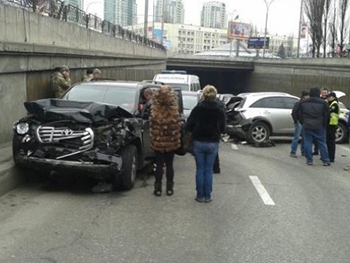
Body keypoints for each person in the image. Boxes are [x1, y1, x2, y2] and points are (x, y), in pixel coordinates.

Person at [185, 85, 226, 203]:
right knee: (208, 170)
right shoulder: (219, 110)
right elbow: (223, 128)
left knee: (200, 169)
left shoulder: (198, 109)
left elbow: (189, 125)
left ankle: (199, 195)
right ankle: (207, 196)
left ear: (203, 95)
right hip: (213, 142)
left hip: (198, 141)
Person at [149, 86, 181, 196]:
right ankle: (169, 188)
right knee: (169, 165)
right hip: (171, 142)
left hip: (158, 142)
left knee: (159, 165)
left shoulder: (155, 110)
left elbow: (152, 126)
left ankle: (157, 188)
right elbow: (177, 127)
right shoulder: (174, 111)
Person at [298, 87, 330, 166]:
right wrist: (325, 124)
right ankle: (325, 160)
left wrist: (303, 122)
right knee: (322, 143)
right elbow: (327, 115)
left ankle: (309, 160)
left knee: (308, 142)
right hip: (319, 125)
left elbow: (299, 114)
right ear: (318, 93)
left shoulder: (303, 102)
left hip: (307, 125)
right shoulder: (323, 103)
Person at [290, 90, 310, 158]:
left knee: (304, 138)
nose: (308, 97)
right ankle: (293, 151)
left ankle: (303, 151)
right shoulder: (298, 103)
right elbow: (293, 113)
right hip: (299, 122)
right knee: (296, 137)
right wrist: (296, 121)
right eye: (307, 96)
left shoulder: (306, 104)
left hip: (304, 122)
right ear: (304, 96)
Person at [314, 87, 329, 154]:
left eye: (325, 93)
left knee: (323, 139)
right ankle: (316, 150)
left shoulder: (328, 100)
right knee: (316, 138)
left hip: (325, 121)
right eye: (323, 92)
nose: (324, 94)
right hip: (318, 120)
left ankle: (323, 153)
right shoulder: (318, 99)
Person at [326, 92, 340, 162]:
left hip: (332, 124)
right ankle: (329, 155)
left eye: (329, 97)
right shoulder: (331, 103)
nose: (328, 98)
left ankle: (331, 157)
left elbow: (329, 112)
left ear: (333, 97)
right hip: (330, 124)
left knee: (331, 142)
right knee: (328, 141)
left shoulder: (334, 104)